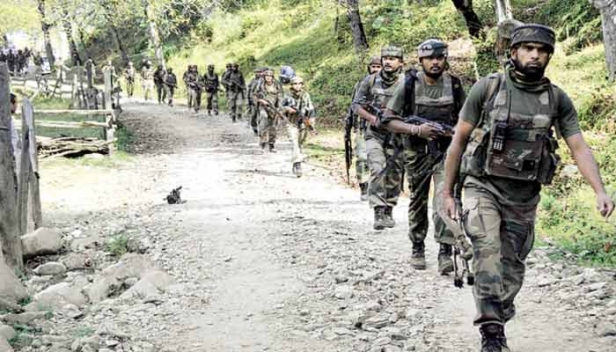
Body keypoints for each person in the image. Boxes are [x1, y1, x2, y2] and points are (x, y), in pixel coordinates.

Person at [441, 24, 615, 351]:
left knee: (512, 268)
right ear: (513, 52)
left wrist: (599, 190)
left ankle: (499, 311)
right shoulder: (487, 89)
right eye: (527, 48)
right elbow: (459, 141)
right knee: (487, 253)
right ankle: (492, 335)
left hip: (524, 197)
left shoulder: (556, 99)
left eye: (542, 50)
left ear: (549, 55)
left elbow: (578, 146)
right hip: (483, 187)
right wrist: (448, 192)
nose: (534, 55)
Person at [381, 39, 466, 272]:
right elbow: (388, 119)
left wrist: (452, 132)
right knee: (418, 200)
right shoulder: (409, 84)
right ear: (421, 61)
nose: (435, 62)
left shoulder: (454, 85)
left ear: (445, 59)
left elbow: (467, 120)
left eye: (439, 57)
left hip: (445, 153)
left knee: (443, 198)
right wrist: (417, 130)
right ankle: (417, 246)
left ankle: (445, 251)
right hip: (416, 153)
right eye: (430, 58)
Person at [352, 46, 406, 231]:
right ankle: (378, 210)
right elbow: (356, 105)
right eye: (385, 58)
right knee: (377, 167)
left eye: (393, 58)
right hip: (375, 133)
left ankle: (389, 208)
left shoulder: (407, 83)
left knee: (395, 173)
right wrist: (372, 118)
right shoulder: (370, 80)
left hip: (398, 135)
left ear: (401, 63)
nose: (388, 62)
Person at [350, 56, 382, 201]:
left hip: (383, 128)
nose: (375, 69)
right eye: (373, 66)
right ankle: (364, 186)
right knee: (362, 157)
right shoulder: (361, 84)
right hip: (363, 126)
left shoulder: (389, 85)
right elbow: (354, 106)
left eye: (378, 66)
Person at [281, 76, 315, 177]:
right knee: (294, 143)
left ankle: (297, 159)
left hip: (303, 123)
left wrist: (311, 124)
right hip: (291, 123)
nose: (297, 86)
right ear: (292, 85)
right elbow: (281, 106)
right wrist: (288, 109)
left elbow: (311, 109)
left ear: (302, 85)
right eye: (295, 84)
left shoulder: (306, 95)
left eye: (299, 83)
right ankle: (297, 164)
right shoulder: (287, 95)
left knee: (300, 143)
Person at [254, 68, 283, 152]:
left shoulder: (277, 85)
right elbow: (255, 95)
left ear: (272, 77)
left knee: (273, 127)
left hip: (274, 108)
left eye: (270, 76)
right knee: (263, 124)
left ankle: (272, 145)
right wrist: (261, 100)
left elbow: (280, 96)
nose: (268, 77)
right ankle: (262, 144)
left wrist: (279, 108)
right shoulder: (260, 85)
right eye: (267, 76)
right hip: (263, 107)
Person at [247, 68, 265, 136]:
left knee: (262, 115)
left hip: (262, 101)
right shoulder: (253, 81)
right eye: (257, 72)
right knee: (253, 115)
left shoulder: (264, 81)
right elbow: (249, 91)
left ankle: (262, 129)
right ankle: (254, 128)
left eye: (260, 72)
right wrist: (249, 99)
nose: (259, 74)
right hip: (253, 101)